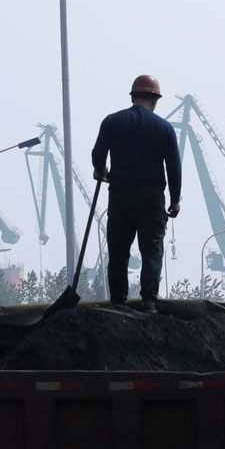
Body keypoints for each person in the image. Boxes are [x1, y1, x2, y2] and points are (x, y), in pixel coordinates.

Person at [91, 74, 182, 314]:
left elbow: (98, 155)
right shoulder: (165, 129)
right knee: (151, 250)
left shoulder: (112, 122)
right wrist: (175, 200)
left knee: (119, 251)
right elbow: (174, 167)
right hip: (152, 197)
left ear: (133, 97)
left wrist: (101, 171)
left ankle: (119, 302)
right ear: (154, 100)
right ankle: (149, 302)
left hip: (121, 195)